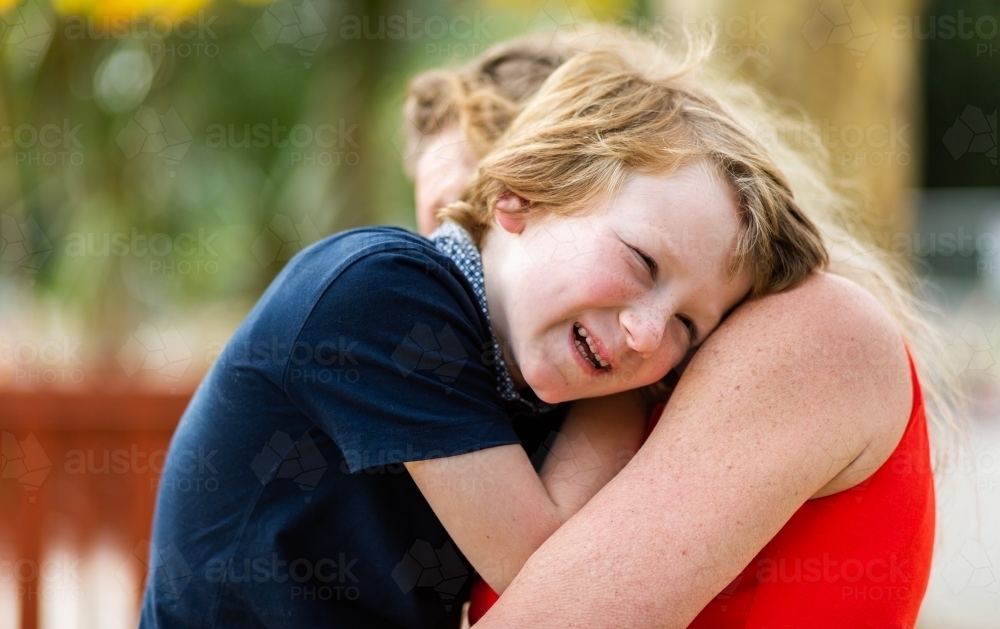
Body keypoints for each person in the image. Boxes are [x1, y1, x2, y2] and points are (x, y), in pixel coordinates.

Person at [140, 31, 828, 629]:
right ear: (519, 196)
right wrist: (629, 394)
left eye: (688, 325)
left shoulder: (529, 380)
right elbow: (560, 589)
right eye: (642, 260)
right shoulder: (382, 292)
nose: (649, 334)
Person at [407, 33, 947, 628]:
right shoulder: (589, 399)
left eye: (461, 217)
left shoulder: (815, 330)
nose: (449, 259)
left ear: (532, 179)